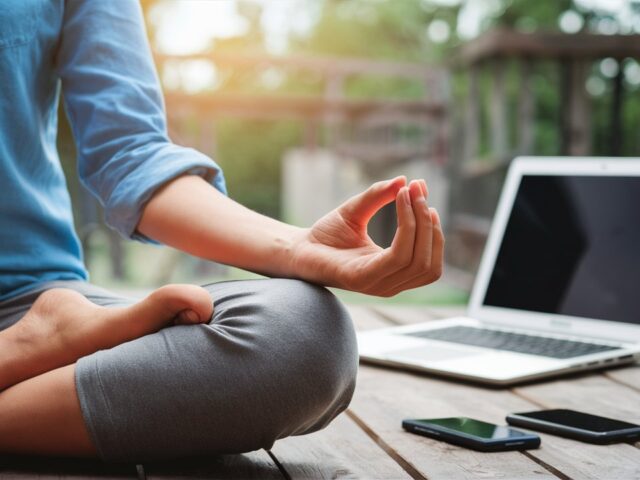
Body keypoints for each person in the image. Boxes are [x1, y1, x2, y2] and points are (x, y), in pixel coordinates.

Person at [0, 0, 444, 463]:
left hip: (23, 298)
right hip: (22, 334)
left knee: (300, 335)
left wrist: (295, 246)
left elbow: (129, 153)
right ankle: (18, 354)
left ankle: (31, 342)